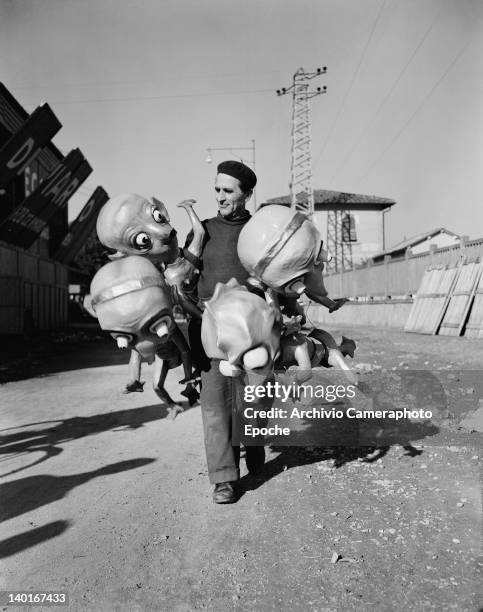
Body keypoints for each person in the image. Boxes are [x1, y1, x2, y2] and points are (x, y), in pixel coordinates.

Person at [188, 160, 267, 503]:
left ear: (247, 194)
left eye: (228, 190)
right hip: (213, 331)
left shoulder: (261, 231)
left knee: (254, 398)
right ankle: (224, 479)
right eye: (217, 189)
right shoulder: (204, 230)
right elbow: (185, 277)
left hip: (253, 331)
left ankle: (253, 441)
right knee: (216, 403)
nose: (219, 196)